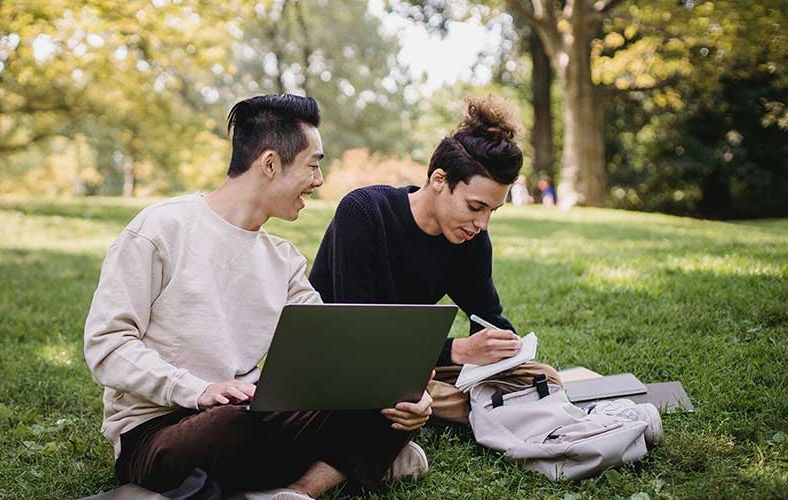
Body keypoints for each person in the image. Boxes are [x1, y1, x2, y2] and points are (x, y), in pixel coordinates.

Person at [84, 94, 433, 500]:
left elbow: (335, 352)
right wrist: (196, 390)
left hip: (253, 413)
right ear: (269, 164)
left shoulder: (283, 259)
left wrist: (402, 392)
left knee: (382, 405)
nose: (319, 181)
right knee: (229, 426)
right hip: (162, 431)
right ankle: (355, 463)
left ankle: (297, 492)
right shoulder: (159, 230)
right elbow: (107, 346)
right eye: (313, 164)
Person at [309, 96, 559, 423]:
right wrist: (457, 350)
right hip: (345, 360)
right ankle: (466, 406)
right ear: (439, 180)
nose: (482, 224)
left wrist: (505, 351)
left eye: (491, 211)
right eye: (475, 207)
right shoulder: (365, 212)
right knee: (389, 385)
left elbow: (487, 316)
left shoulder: (471, 239)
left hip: (412, 365)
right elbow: (358, 334)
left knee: (545, 378)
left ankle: (441, 403)